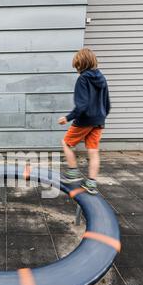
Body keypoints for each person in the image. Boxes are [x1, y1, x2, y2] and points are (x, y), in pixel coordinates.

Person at [58, 48, 111, 195]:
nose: (77, 70)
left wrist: (67, 118)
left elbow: (82, 105)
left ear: (81, 64)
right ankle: (91, 183)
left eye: (77, 66)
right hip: (99, 121)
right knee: (93, 151)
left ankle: (73, 172)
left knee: (66, 143)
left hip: (85, 120)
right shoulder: (102, 78)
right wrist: (101, 117)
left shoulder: (83, 79)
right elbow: (107, 104)